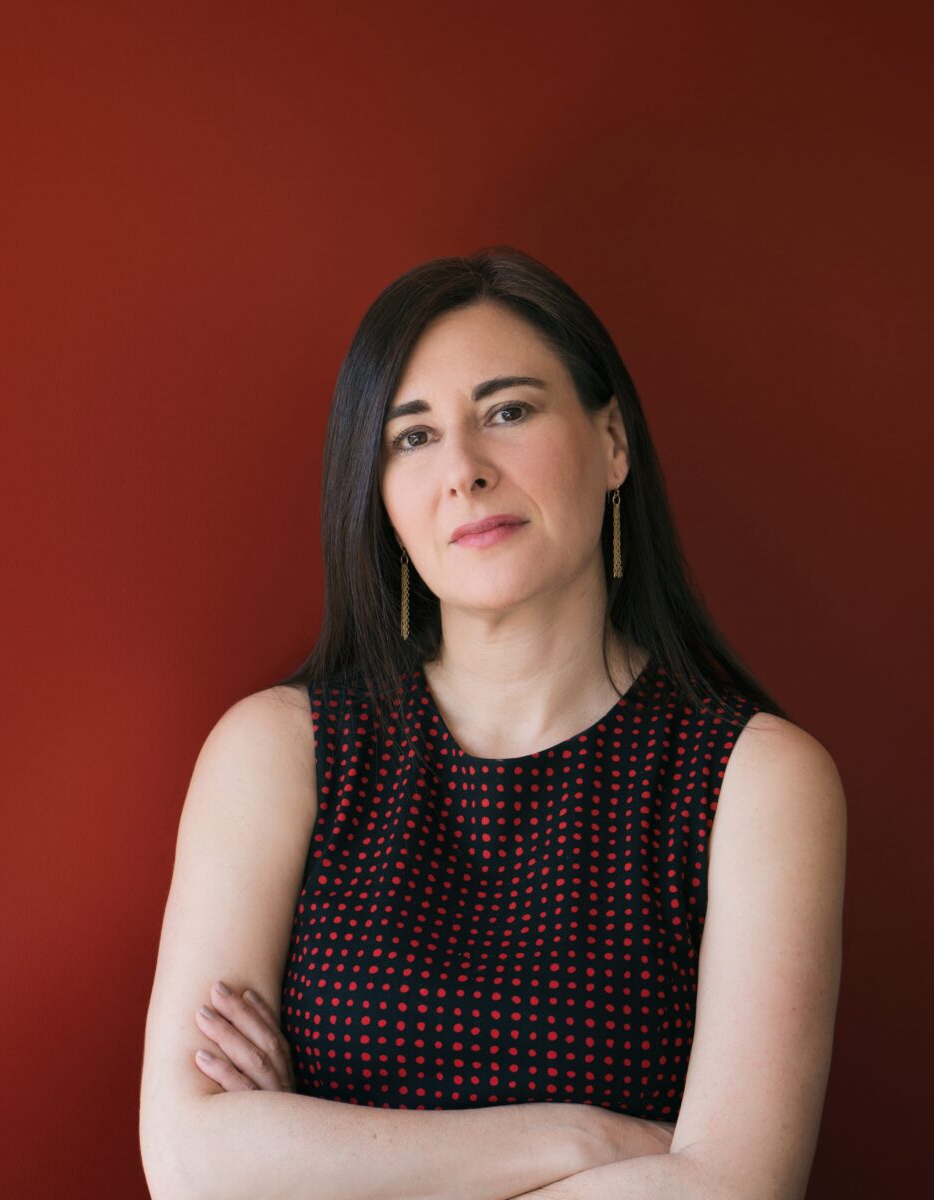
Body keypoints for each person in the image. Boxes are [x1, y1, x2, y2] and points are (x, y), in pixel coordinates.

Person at [138, 246, 846, 1200]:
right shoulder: (280, 752)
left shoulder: (757, 782)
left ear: (613, 443)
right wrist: (588, 1144)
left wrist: (316, 1165)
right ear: (381, 498)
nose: (463, 470)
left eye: (508, 412)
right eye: (412, 437)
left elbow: (730, 1191)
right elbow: (191, 1164)